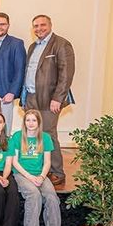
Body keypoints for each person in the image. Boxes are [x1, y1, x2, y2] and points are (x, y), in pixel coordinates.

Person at [23, 14, 75, 186]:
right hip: (31, 96)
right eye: (35, 26)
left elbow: (66, 75)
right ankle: (40, 168)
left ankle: (57, 172)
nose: (39, 29)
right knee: (34, 134)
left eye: (42, 25)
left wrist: (58, 98)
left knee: (49, 135)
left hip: (49, 99)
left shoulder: (61, 44)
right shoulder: (32, 47)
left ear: (50, 25)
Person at [11, 109, 62, 226]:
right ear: (24, 122)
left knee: (52, 198)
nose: (31, 123)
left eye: (34, 120)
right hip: (21, 174)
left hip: (39, 174)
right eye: (28, 120)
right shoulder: (17, 136)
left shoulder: (45, 138)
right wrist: (29, 177)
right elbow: (14, 161)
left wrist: (41, 176)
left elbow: (47, 162)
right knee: (34, 195)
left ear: (39, 122)